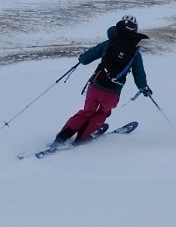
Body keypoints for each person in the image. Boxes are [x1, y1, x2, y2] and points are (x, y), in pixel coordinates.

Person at [54, 15, 153, 144]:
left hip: (96, 85)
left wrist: (81, 59)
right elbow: (139, 73)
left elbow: (87, 57)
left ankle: (62, 137)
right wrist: (144, 88)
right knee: (103, 113)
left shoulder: (109, 43)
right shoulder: (135, 53)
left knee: (87, 111)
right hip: (112, 92)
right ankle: (82, 137)